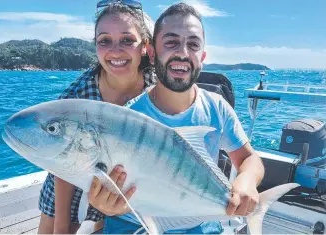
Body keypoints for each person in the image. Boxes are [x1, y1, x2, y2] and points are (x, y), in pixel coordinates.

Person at [88, 2, 265, 234]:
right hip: (135, 225)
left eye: (192, 44)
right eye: (171, 42)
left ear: (202, 56)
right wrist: (106, 206)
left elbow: (249, 159)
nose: (182, 52)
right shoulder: (128, 119)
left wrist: (247, 180)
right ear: (151, 53)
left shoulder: (216, 108)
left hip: (200, 226)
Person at [37, 2, 157, 234]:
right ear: (96, 46)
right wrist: (62, 227)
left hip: (120, 188)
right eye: (104, 41)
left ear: (144, 46)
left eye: (127, 40)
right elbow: (62, 164)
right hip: (67, 186)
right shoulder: (77, 96)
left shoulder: (156, 92)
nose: (115, 50)